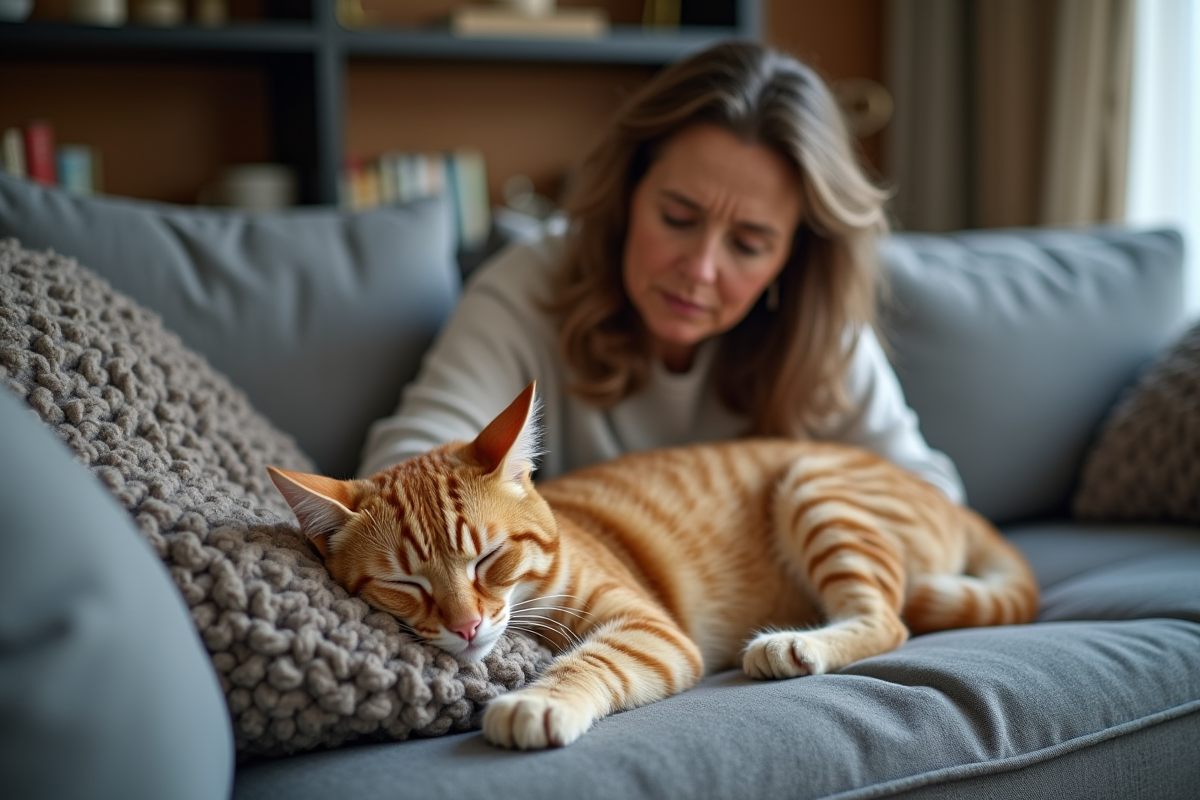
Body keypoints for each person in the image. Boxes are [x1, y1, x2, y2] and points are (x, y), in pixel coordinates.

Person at [358, 40, 964, 504]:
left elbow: (930, 499)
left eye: (749, 245)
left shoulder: (817, 324)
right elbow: (404, 471)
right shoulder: (530, 282)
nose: (699, 270)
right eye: (677, 218)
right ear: (627, 195)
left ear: (794, 257)